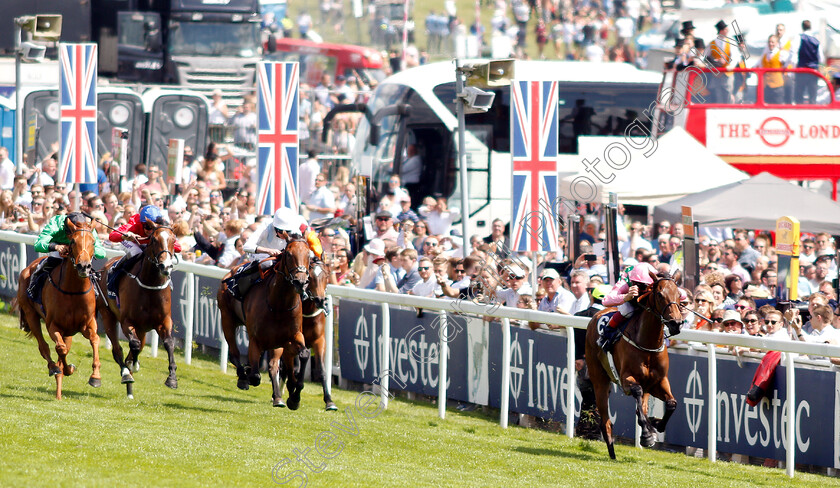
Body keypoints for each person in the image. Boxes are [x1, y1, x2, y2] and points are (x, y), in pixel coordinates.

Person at [224, 207, 305, 301]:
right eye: (282, 232)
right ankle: (239, 288)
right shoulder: (266, 228)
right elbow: (246, 247)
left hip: (282, 255)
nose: (285, 235)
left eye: (287, 232)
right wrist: (268, 251)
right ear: (276, 228)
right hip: (261, 255)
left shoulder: (294, 229)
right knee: (267, 264)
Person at [27, 212, 107, 303]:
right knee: (49, 263)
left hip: (79, 254)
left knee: (88, 267)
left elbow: (102, 253)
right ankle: (34, 288)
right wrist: (56, 247)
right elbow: (38, 245)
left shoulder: (87, 228)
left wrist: (82, 248)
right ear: (67, 229)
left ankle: (96, 296)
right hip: (58, 252)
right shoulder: (56, 223)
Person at [107, 205, 181, 299]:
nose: (150, 231)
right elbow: (112, 236)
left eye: (153, 228)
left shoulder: (162, 229)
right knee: (136, 252)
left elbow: (178, 248)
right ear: (141, 223)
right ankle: (116, 270)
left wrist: (166, 241)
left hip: (148, 246)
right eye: (147, 226)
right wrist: (125, 236)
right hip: (131, 242)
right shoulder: (133, 226)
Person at [598, 262, 657, 351]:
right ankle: (606, 335)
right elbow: (605, 301)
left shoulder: (657, 280)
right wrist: (626, 297)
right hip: (631, 301)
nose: (640, 287)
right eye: (636, 283)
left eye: (644, 285)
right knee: (627, 309)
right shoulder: (625, 282)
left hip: (648, 301)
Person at [794, 20, 824, 105]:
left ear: (802, 27)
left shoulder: (800, 38)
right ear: (810, 27)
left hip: (801, 70)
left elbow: (793, 53)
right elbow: (821, 58)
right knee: (812, 95)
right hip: (813, 72)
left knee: (799, 95)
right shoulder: (816, 40)